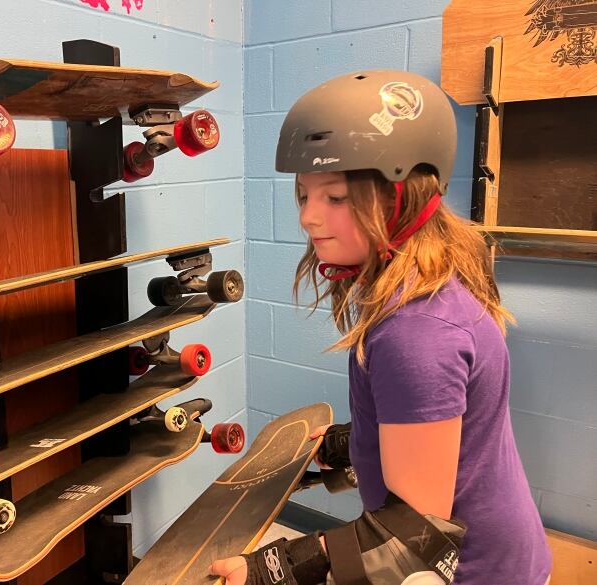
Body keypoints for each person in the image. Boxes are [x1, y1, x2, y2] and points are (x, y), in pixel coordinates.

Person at [210, 70, 553, 584]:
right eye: (304, 194)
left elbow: (415, 537)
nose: (308, 216)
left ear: (401, 195)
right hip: (503, 553)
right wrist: (357, 443)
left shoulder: (415, 331)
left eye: (336, 197)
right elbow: (447, 425)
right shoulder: (434, 276)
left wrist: (273, 569)